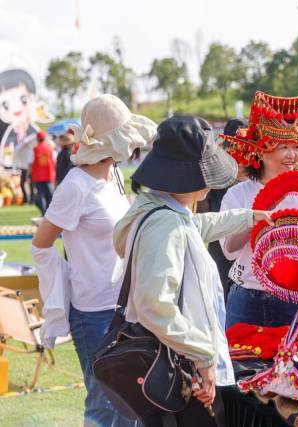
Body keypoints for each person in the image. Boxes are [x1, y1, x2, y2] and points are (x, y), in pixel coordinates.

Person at [114, 115, 271, 426]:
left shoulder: (161, 210)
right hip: (181, 364)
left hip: (177, 359)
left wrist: (253, 217)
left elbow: (198, 226)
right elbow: (154, 304)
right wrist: (202, 355)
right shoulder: (165, 223)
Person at [31, 94, 156, 427]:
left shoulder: (111, 177)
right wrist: (67, 286)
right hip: (93, 313)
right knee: (103, 404)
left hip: (124, 307)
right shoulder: (75, 186)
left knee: (131, 403)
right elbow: (40, 245)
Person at [220, 89, 298, 328]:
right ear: (260, 150)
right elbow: (229, 249)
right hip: (245, 297)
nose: (293, 155)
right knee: (242, 363)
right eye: (283, 148)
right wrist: (259, 216)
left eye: (296, 146)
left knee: (295, 362)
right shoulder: (238, 194)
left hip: (294, 298)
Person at [197, 119, 246, 303]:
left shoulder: (259, 182)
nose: (239, 156)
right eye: (233, 148)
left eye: (244, 149)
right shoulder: (216, 181)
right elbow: (202, 219)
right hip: (221, 258)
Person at [0, 69, 39, 203]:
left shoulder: (34, 132)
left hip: (32, 165)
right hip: (18, 166)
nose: (16, 108)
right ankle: (28, 199)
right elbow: (6, 152)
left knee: (32, 183)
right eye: (5, 104)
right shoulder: (10, 132)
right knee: (23, 183)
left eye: (22, 100)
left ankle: (33, 199)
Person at [30, 130, 55, 215]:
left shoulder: (34, 149)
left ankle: (44, 213)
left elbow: (30, 162)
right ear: (44, 139)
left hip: (38, 175)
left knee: (40, 194)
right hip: (49, 174)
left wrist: (29, 174)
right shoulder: (50, 148)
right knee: (50, 194)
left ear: (37, 139)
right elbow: (54, 161)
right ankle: (50, 213)